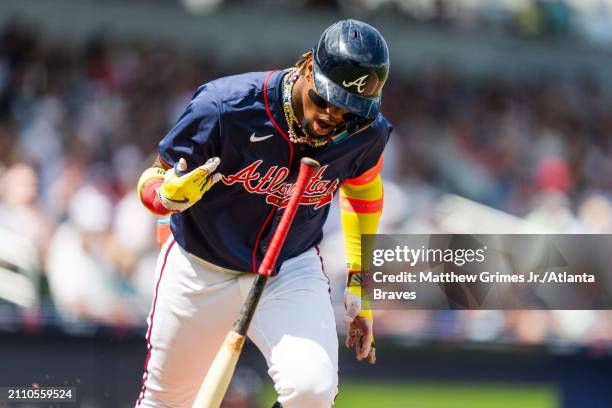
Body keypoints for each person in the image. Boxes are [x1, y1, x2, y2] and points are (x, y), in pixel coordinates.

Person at [135, 19, 392, 407]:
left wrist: (359, 281)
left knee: (312, 391)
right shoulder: (226, 106)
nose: (332, 116)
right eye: (324, 99)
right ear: (307, 67)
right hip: (201, 264)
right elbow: (153, 177)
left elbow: (363, 191)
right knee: (167, 401)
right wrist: (167, 197)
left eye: (348, 110)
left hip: (288, 270)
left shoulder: (365, 133)